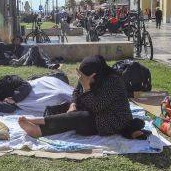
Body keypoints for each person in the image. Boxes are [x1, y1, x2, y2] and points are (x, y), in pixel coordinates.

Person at [18, 55, 147, 140]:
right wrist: (73, 104)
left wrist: (86, 87)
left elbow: (97, 106)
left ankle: (38, 129)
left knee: (79, 118)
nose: (81, 79)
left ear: (95, 75)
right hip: (93, 109)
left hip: (112, 119)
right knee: (65, 108)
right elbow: (75, 92)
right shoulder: (86, 76)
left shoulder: (114, 82)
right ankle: (43, 123)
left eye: (84, 77)